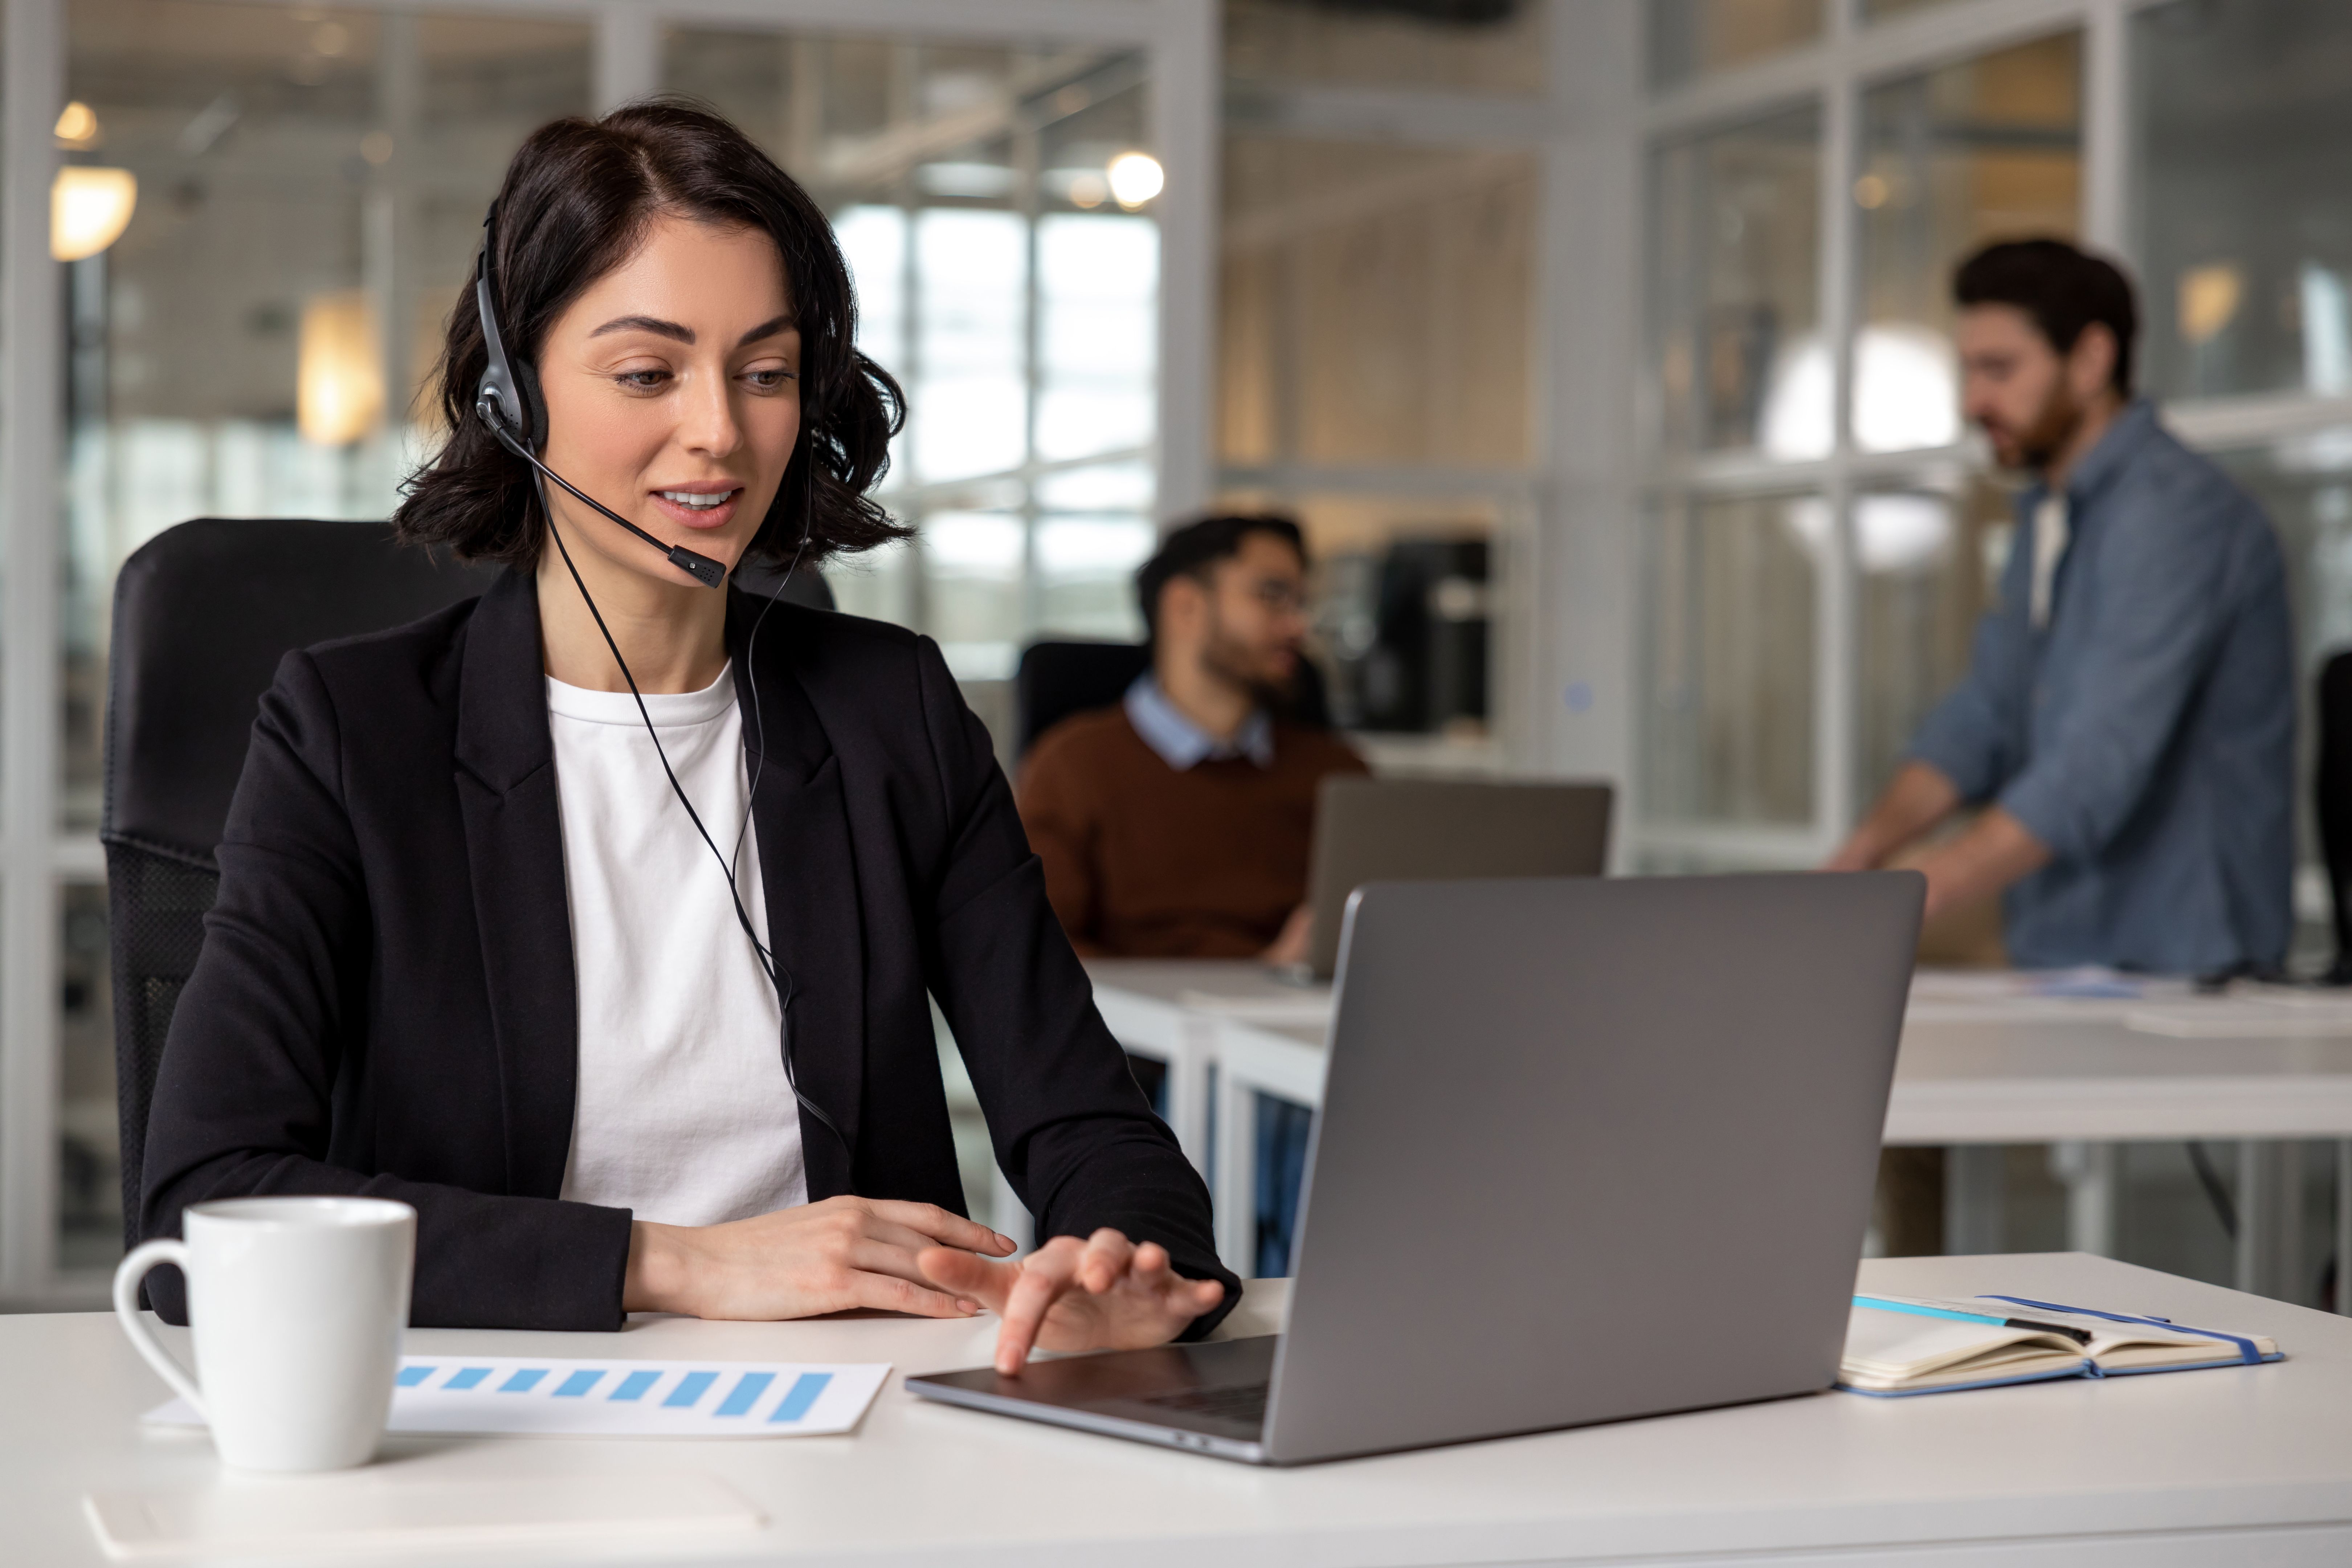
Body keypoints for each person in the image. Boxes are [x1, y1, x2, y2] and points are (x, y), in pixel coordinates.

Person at [138, 102, 1233, 1375]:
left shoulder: (895, 711)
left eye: (765, 373)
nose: (720, 430)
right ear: (514, 397)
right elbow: (205, 1207)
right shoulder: (351, 729)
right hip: (498, 1412)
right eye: (648, 373)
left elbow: (1094, 1129)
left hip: (863, 1411)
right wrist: (684, 1264)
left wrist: (1120, 1267)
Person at [1828, 238, 2294, 976]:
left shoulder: (2175, 514)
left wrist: (1905, 897)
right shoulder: (2048, 515)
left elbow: (2094, 767)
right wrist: (1857, 859)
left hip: (2187, 974)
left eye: (1999, 369)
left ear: (2091, 361)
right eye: (1968, 370)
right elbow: (1981, 720)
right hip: (2066, 960)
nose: (1973, 402)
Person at [1017, 515, 1368, 963]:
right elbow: (1038, 956)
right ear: (1185, 606)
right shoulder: (1073, 766)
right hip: (1133, 1009)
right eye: (1272, 596)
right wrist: (1256, 977)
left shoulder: (1337, 772)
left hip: (1310, 1007)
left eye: (1301, 603)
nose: (1298, 625)